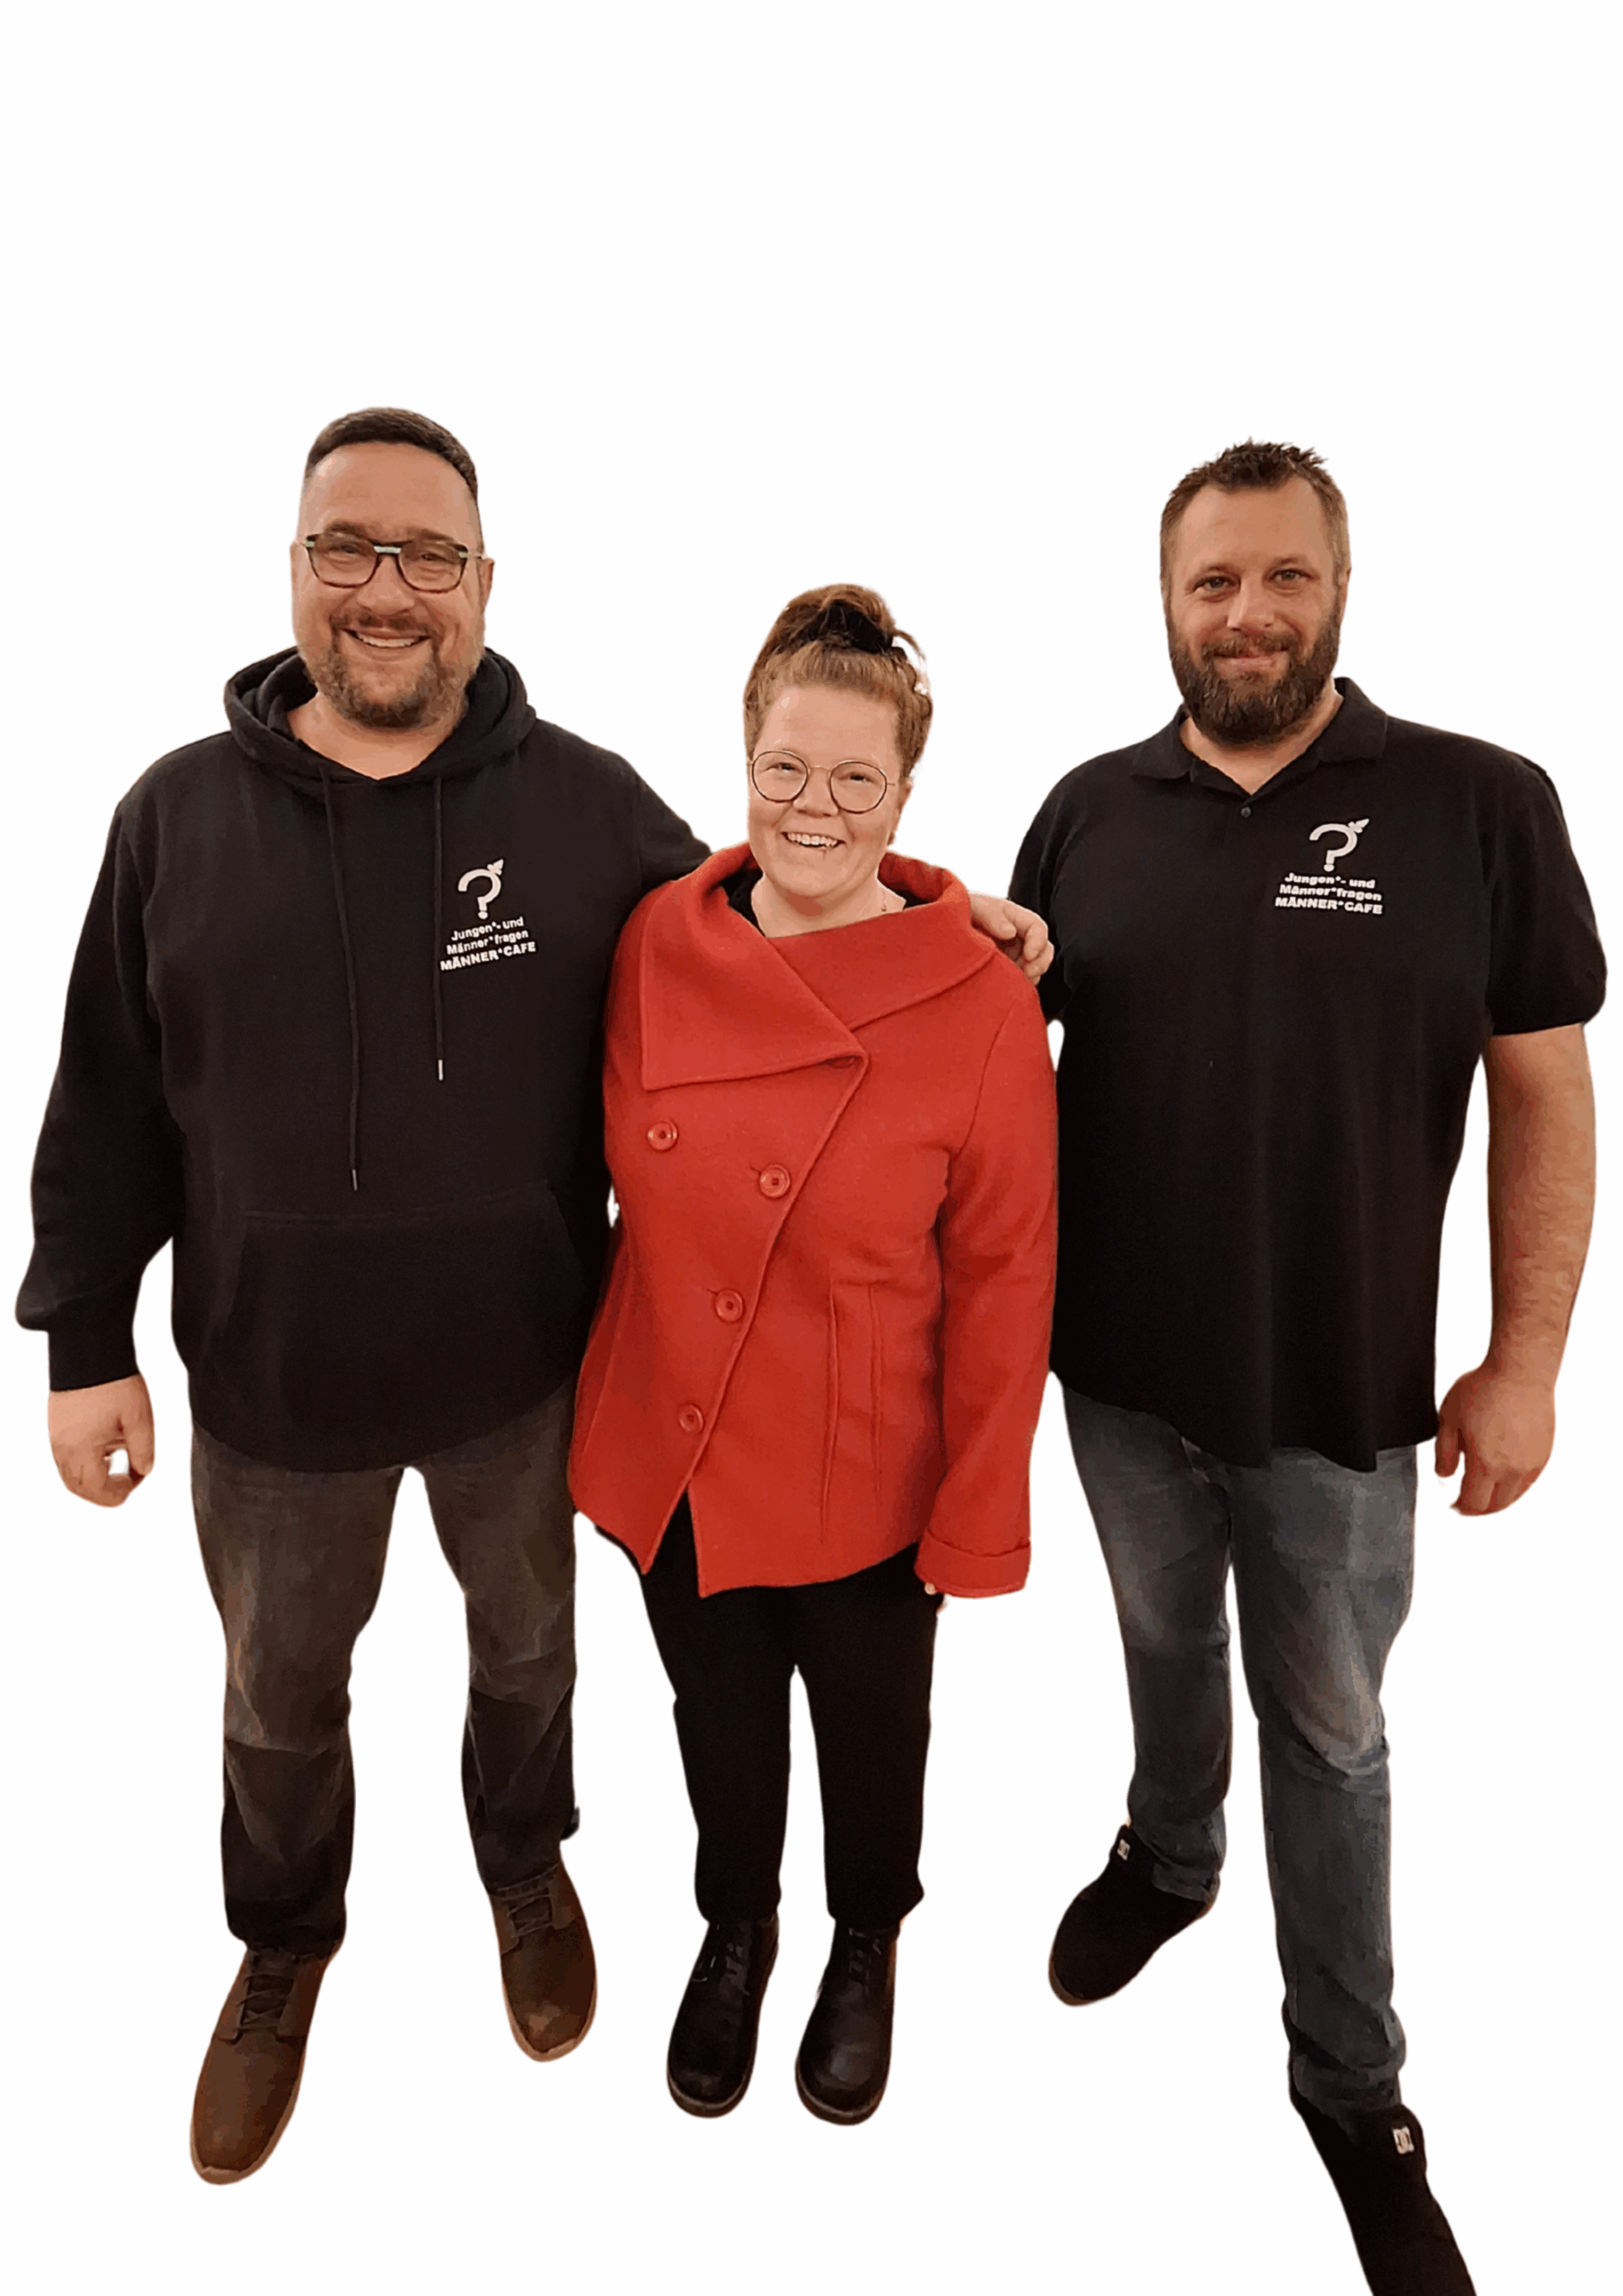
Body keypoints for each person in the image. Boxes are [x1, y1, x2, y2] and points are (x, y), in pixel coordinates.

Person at [16, 414, 1052, 2185]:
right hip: (273, 1383)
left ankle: (524, 1868)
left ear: (485, 583)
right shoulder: (171, 816)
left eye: (430, 554)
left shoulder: (578, 806)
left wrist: (960, 920)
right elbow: (105, 1095)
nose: (388, 588)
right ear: (293, 571)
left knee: (528, 1659)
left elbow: (778, 905)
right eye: (349, 547)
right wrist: (85, 1341)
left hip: (524, 1377)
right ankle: (282, 1942)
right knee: (277, 1697)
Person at [1011, 441, 1603, 2295]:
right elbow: (970, 1073)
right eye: (1212, 581)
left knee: (1331, 1736)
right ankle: (1168, 1858)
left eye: (1281, 576)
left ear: (1337, 588)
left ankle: (1352, 2089)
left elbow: (1542, 1092)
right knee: (1158, 1646)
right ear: (1163, 600)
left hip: (1342, 1394)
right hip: (1111, 1377)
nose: (1247, 614)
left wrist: (1522, 1357)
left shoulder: (1476, 803)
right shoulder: (1085, 812)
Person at [569, 586, 1057, 2125]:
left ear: (906, 798)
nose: (815, 807)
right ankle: (737, 1925)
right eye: (784, 768)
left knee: (870, 1735)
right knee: (715, 1728)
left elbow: (1004, 1279)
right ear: (742, 762)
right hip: (679, 1443)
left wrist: (977, 1511)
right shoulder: (657, 939)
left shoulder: (979, 997)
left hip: (869, 1470)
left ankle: (864, 1937)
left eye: (857, 777)